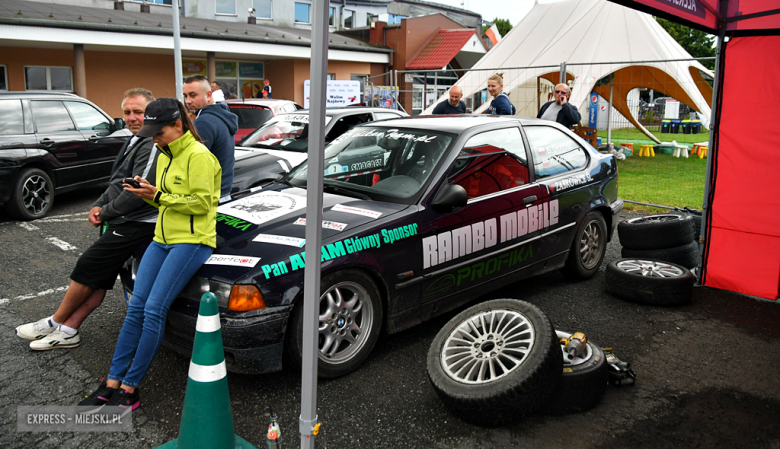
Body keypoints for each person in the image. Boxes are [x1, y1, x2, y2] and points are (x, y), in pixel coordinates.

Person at [78, 98, 221, 412]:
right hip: (162, 237)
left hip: (192, 240)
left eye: (159, 131)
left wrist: (157, 194)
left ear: (178, 125)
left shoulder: (199, 157)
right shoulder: (166, 154)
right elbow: (168, 202)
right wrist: (148, 193)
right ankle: (112, 381)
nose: (154, 137)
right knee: (136, 308)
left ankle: (130, 389)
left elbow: (202, 205)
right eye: (151, 131)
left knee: (154, 309)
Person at [15, 88, 159, 350]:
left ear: (151, 114)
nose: (132, 117)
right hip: (120, 218)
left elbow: (137, 192)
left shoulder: (151, 143)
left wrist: (105, 212)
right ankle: (69, 330)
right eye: (127, 112)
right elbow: (117, 182)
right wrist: (98, 204)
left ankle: (54, 322)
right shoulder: (134, 139)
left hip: (138, 223)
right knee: (100, 278)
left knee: (87, 268)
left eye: (139, 112)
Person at [183, 75, 238, 203]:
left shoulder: (204, 122)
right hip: (222, 192)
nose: (188, 101)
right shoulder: (220, 115)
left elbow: (194, 164)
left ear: (208, 95)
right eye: (185, 96)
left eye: (193, 95)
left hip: (210, 197)